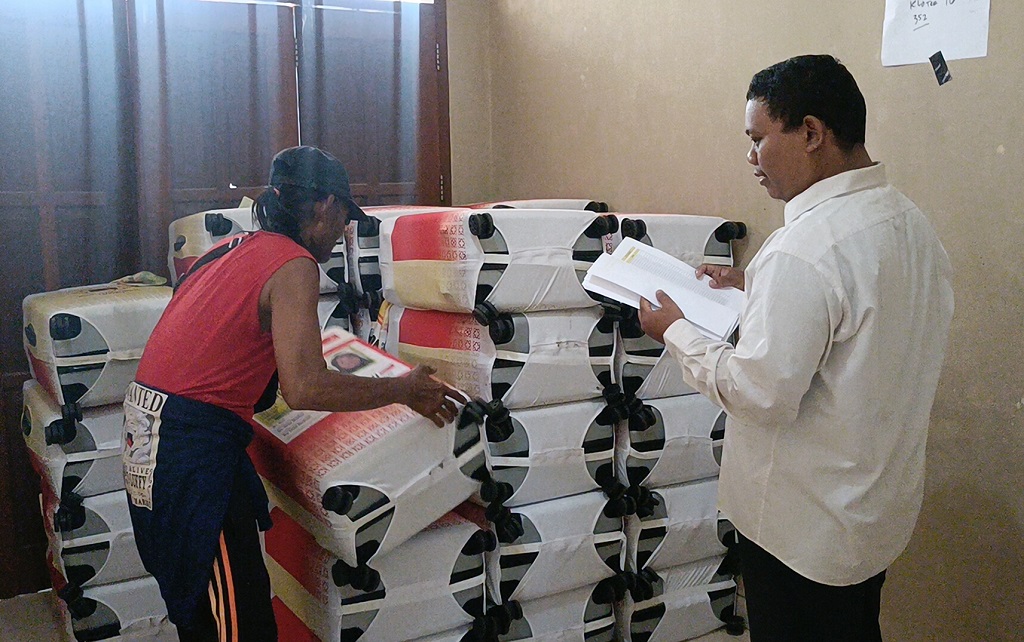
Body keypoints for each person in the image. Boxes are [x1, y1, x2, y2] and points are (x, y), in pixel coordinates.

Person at [638, 55, 954, 641]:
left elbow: (759, 393)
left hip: (800, 532)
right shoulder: (911, 226)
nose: (751, 158)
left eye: (757, 139)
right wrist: (755, 285)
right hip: (870, 516)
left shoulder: (805, 249)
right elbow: (857, 326)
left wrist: (675, 331)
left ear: (811, 133)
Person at [121, 146, 467, 641]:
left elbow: (216, 348)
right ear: (325, 205)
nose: (344, 230)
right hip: (189, 453)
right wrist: (403, 389)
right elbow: (305, 386)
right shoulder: (294, 264)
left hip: (147, 436)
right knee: (237, 626)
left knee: (206, 609)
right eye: (345, 217)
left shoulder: (233, 249)